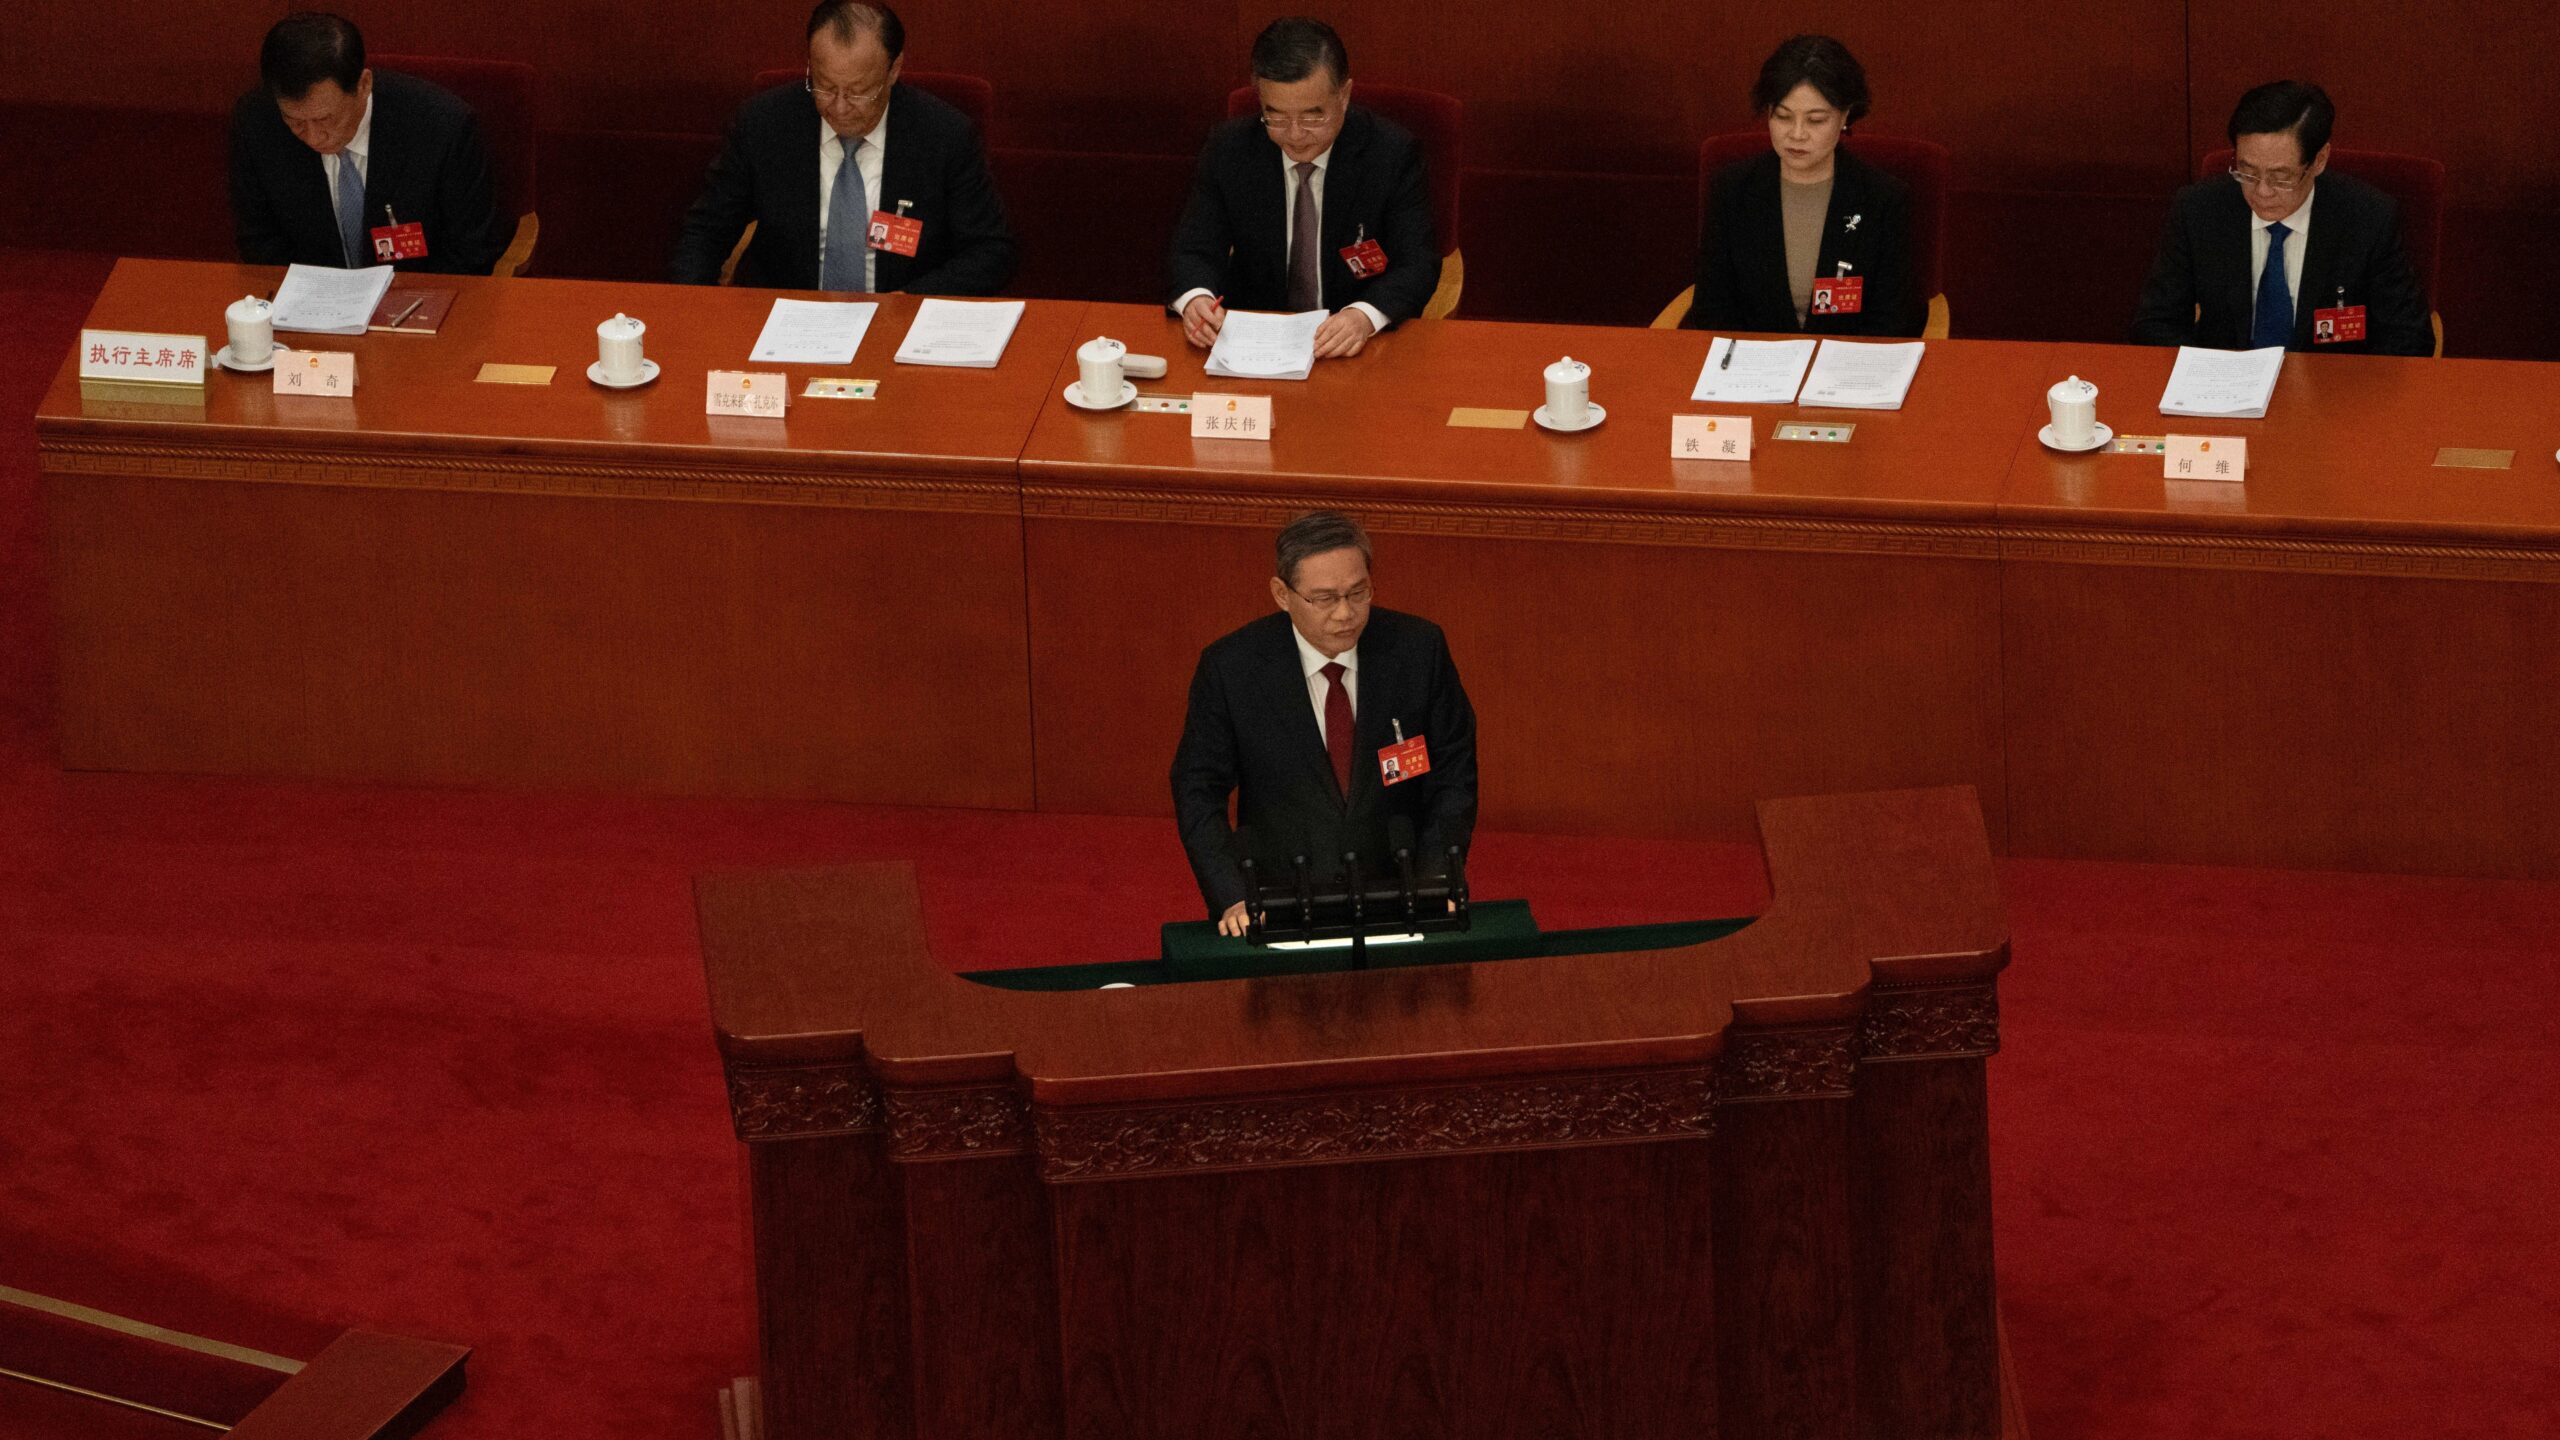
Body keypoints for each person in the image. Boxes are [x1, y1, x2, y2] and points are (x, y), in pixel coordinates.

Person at [1171, 511, 1476, 936]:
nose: (1345, 614)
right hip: (1278, 902)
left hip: (1399, 892)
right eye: (1325, 598)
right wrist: (1233, 894)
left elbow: (1452, 773)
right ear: (1282, 594)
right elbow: (1197, 790)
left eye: (1358, 592)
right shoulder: (1232, 669)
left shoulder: (1418, 650)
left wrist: (1434, 879)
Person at [669, 0, 1016, 294]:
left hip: (900, 323)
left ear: (893, 70)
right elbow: (707, 231)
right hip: (788, 320)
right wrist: (692, 307)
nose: (839, 106)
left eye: (859, 91)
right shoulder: (764, 126)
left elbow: (990, 251)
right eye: (824, 86)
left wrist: (908, 302)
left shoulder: (943, 136)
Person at [1167, 18, 1441, 360]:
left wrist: (1364, 316)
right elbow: (1194, 249)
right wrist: (1196, 298)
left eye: (1312, 117)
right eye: (1276, 116)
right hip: (1255, 342)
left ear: (1344, 96)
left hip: (1355, 347)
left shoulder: (1390, 154)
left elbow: (1417, 263)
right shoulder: (1230, 149)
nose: (1294, 135)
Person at [2131, 81, 2429, 355]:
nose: (2262, 191)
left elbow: (2409, 339)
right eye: (2247, 171)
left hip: (2330, 397)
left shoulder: (2368, 219)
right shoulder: (2198, 210)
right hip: (2223, 397)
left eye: (2281, 176)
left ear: (2319, 160)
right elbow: (2155, 323)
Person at [228, 13, 507, 275]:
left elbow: (472, 251)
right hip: (314, 310)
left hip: (419, 303)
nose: (314, 137)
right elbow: (259, 242)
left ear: (363, 85)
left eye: (326, 119)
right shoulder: (256, 123)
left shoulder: (443, 128)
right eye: (295, 122)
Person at [1683, 35, 1922, 337]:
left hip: (1847, 369)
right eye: (1783, 116)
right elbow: (1712, 309)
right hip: (1754, 368)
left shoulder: (1883, 200)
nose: (1796, 134)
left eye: (1816, 120)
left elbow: (1893, 318)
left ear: (1845, 116)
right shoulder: (1732, 191)